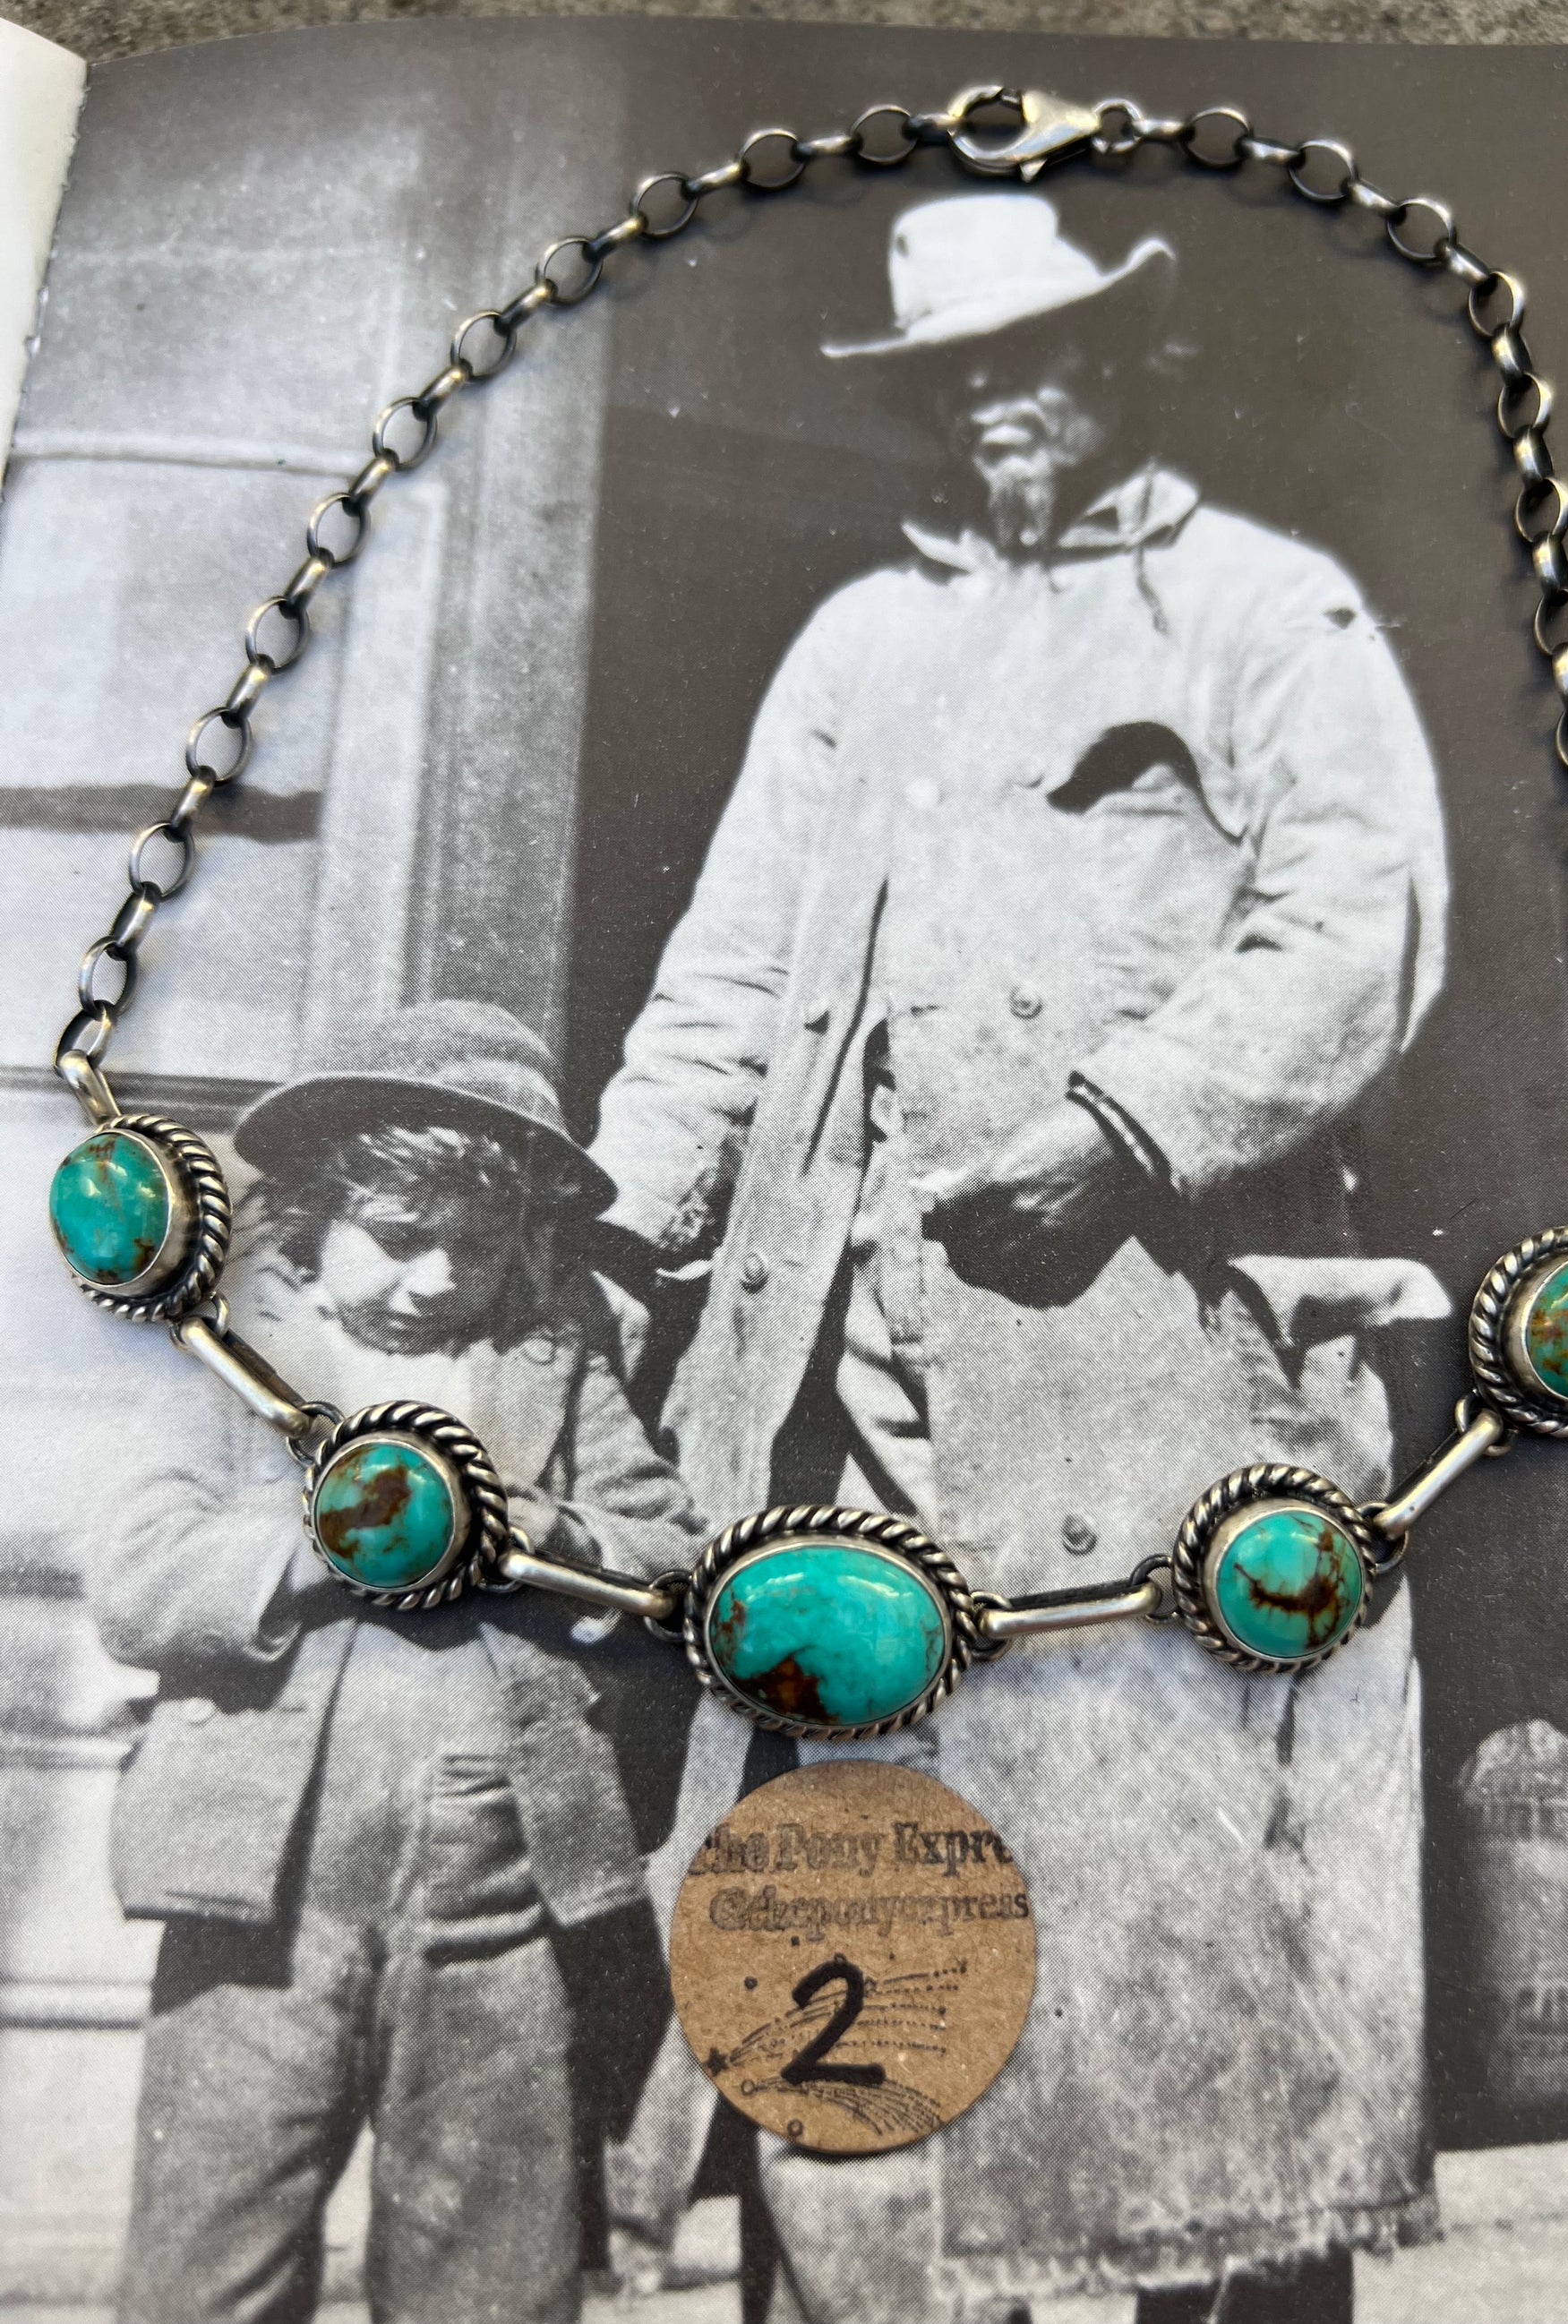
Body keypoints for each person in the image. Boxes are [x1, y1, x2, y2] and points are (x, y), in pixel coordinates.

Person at [593, 193, 1451, 2324]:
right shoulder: (857, 648)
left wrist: (1125, 1122)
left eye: (1030, 357)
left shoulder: (1262, 611)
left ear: (1127, 357)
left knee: (1185, 1922)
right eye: (949, 375)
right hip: (848, 1398)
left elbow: (1356, 929)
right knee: (857, 1911)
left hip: (1154, 1379)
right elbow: (725, 979)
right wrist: (615, 1227)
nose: (992, 401)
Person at [96, 999, 709, 2324]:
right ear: (318, 1216)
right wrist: (334, 1539)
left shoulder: (551, 1355)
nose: (436, 1280)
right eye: (400, 1237)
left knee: (489, 2271)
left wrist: (537, 1534)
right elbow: (138, 1578)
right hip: (260, 1892)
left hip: (501, 1893)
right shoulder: (227, 1348)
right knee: (210, 2258)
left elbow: (670, 1557)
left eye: (476, 1248)